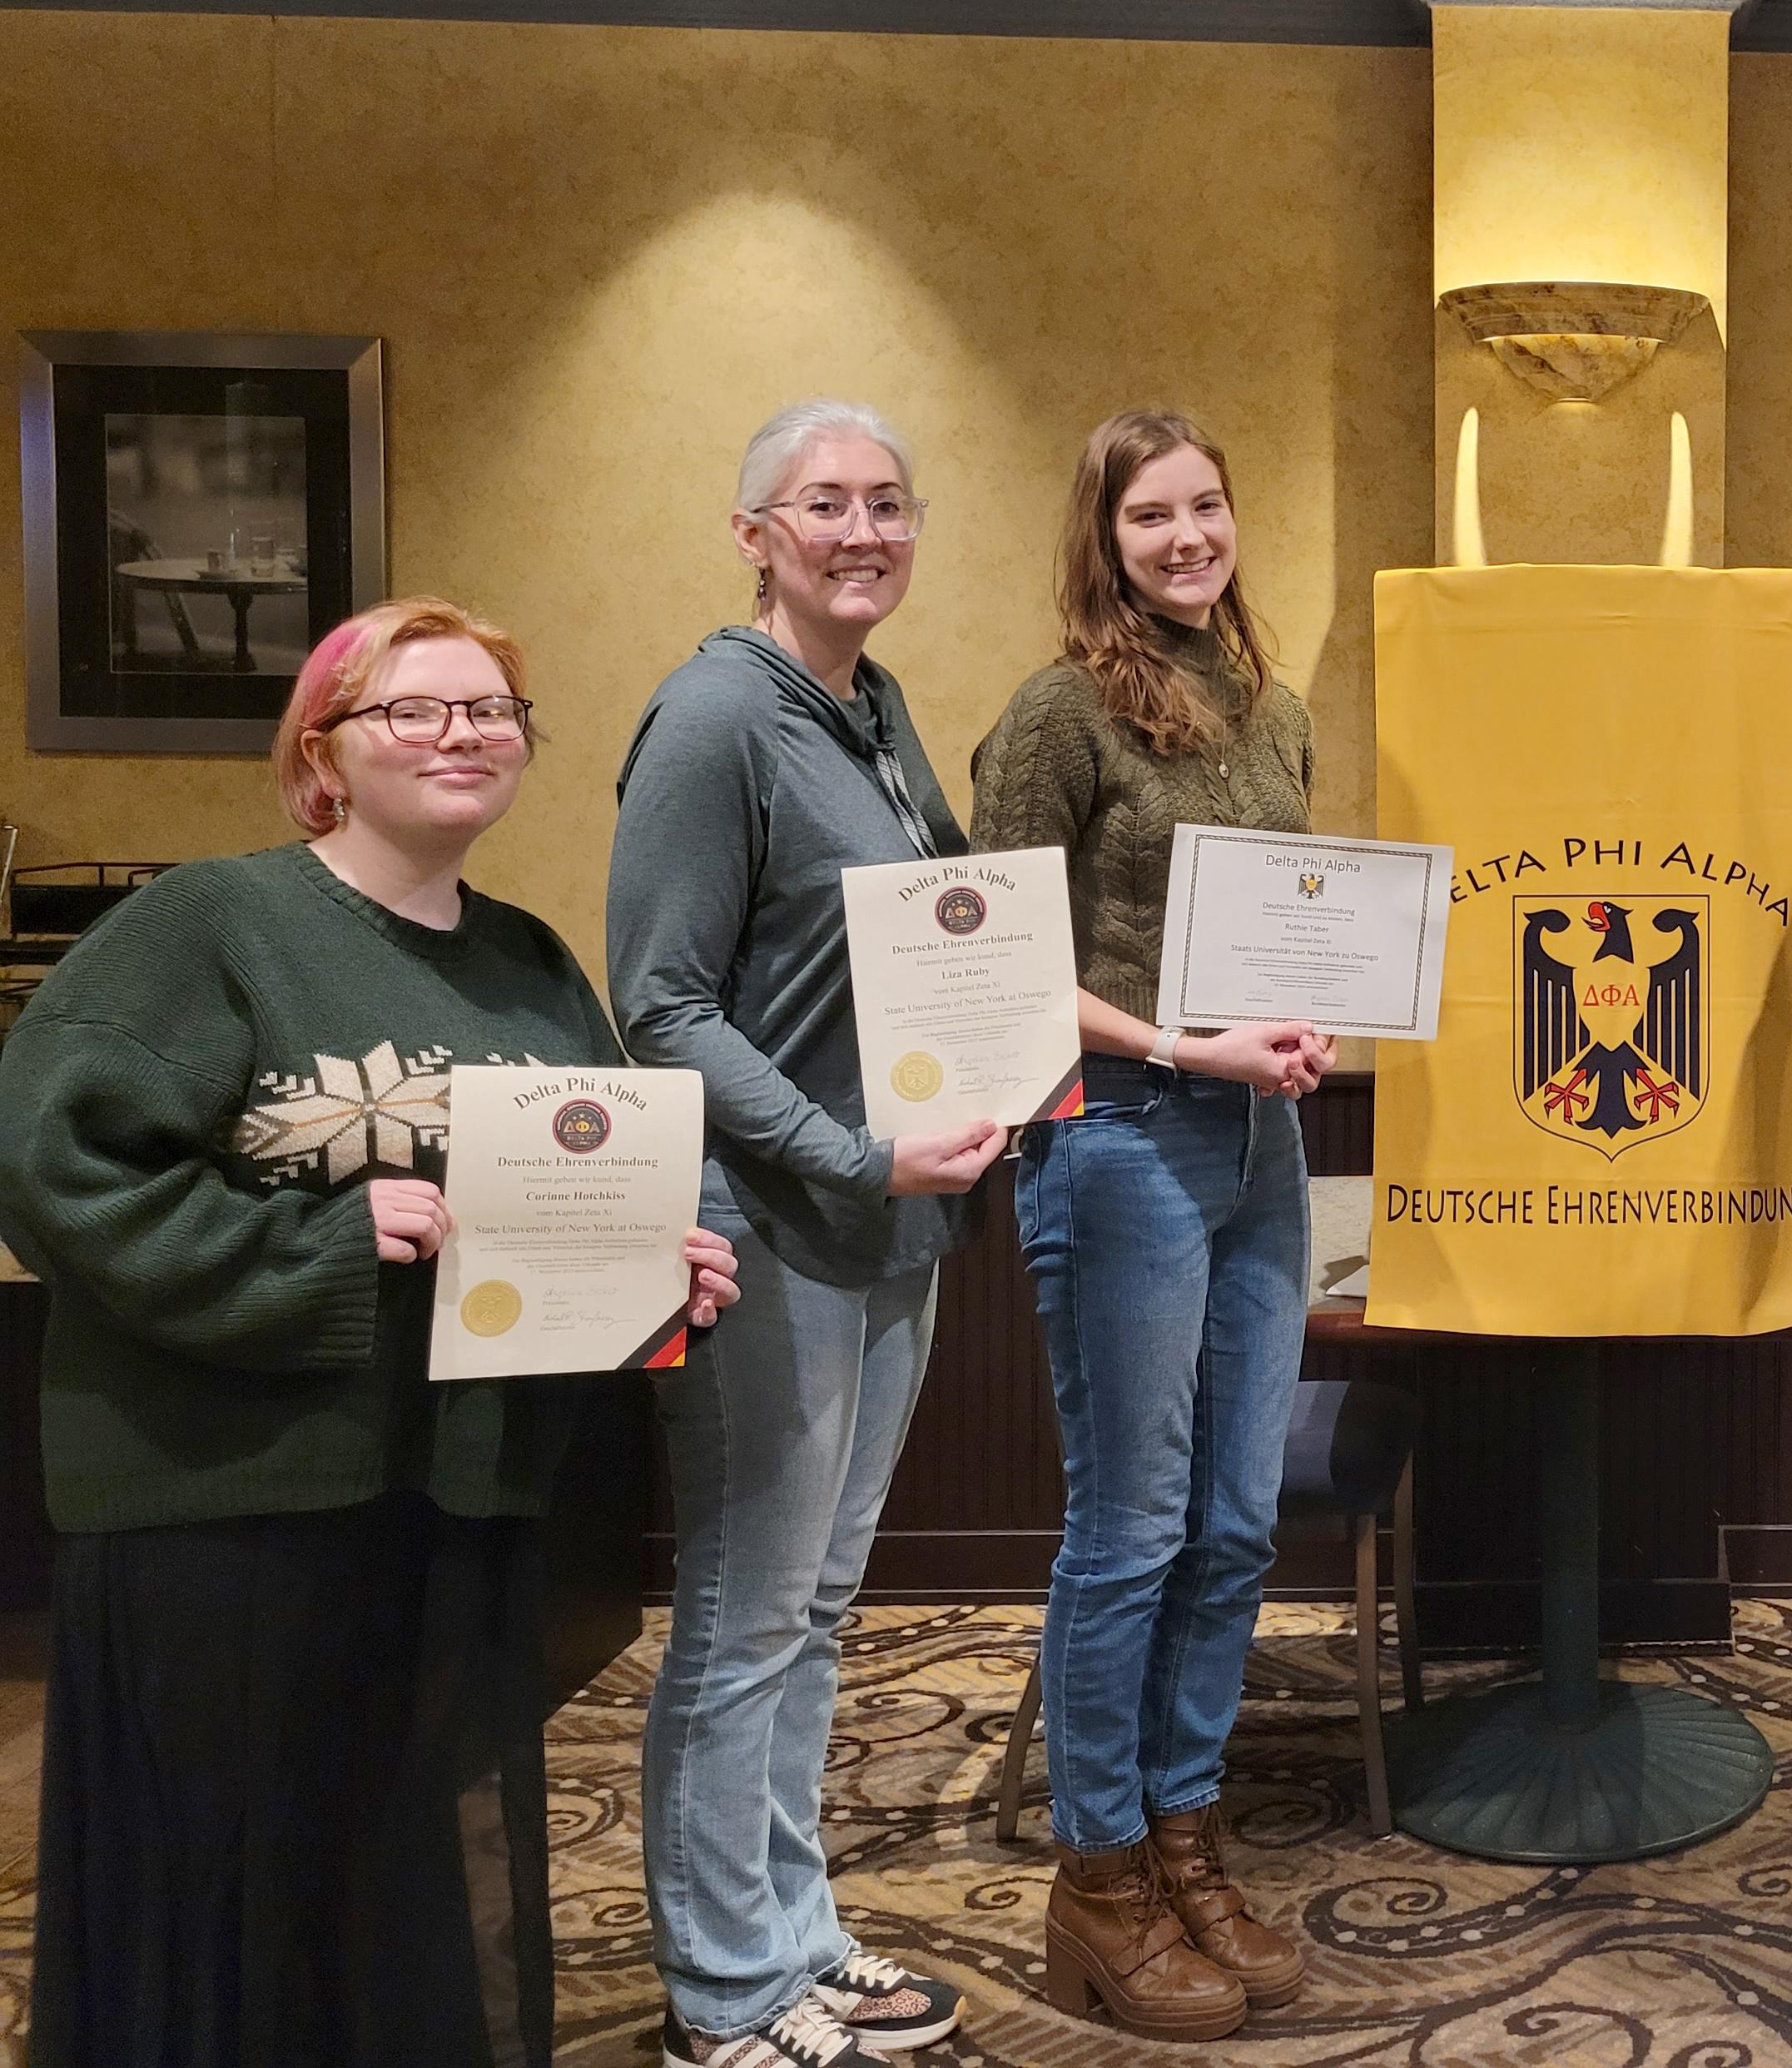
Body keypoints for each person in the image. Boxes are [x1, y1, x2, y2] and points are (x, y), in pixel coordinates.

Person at [0, 598, 741, 2068]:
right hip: (224, 1505)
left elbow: (558, 1223)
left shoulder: (533, 966)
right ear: (323, 752)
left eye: (491, 711)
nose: (463, 732)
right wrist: (321, 1244)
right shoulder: (209, 927)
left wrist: (662, 1285)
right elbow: (54, 1175)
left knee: (396, 1865)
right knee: (225, 1884)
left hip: (446, 1495)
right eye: (416, 708)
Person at [611, 400, 1006, 2068]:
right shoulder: (714, 717)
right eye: (825, 503)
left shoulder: (875, 712)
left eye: (889, 504)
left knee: (817, 1608)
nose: (863, 530)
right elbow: (660, 1006)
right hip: (769, 1226)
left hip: (892, 1232)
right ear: (755, 530)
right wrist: (853, 1151)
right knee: (746, 1609)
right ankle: (722, 1990)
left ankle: (790, 1933)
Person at [968, 409, 1331, 2045]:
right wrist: (1189, 1045)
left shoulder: (1273, 707)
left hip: (1257, 1143)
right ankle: (1098, 1880)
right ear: (1103, 537)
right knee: (1131, 1530)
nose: (1185, 536)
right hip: (1114, 1139)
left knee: (1239, 1522)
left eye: (1205, 505)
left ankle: (1189, 1843)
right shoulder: (1056, 713)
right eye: (1151, 515)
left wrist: (1305, 1022)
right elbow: (1001, 966)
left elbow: (1284, 929)